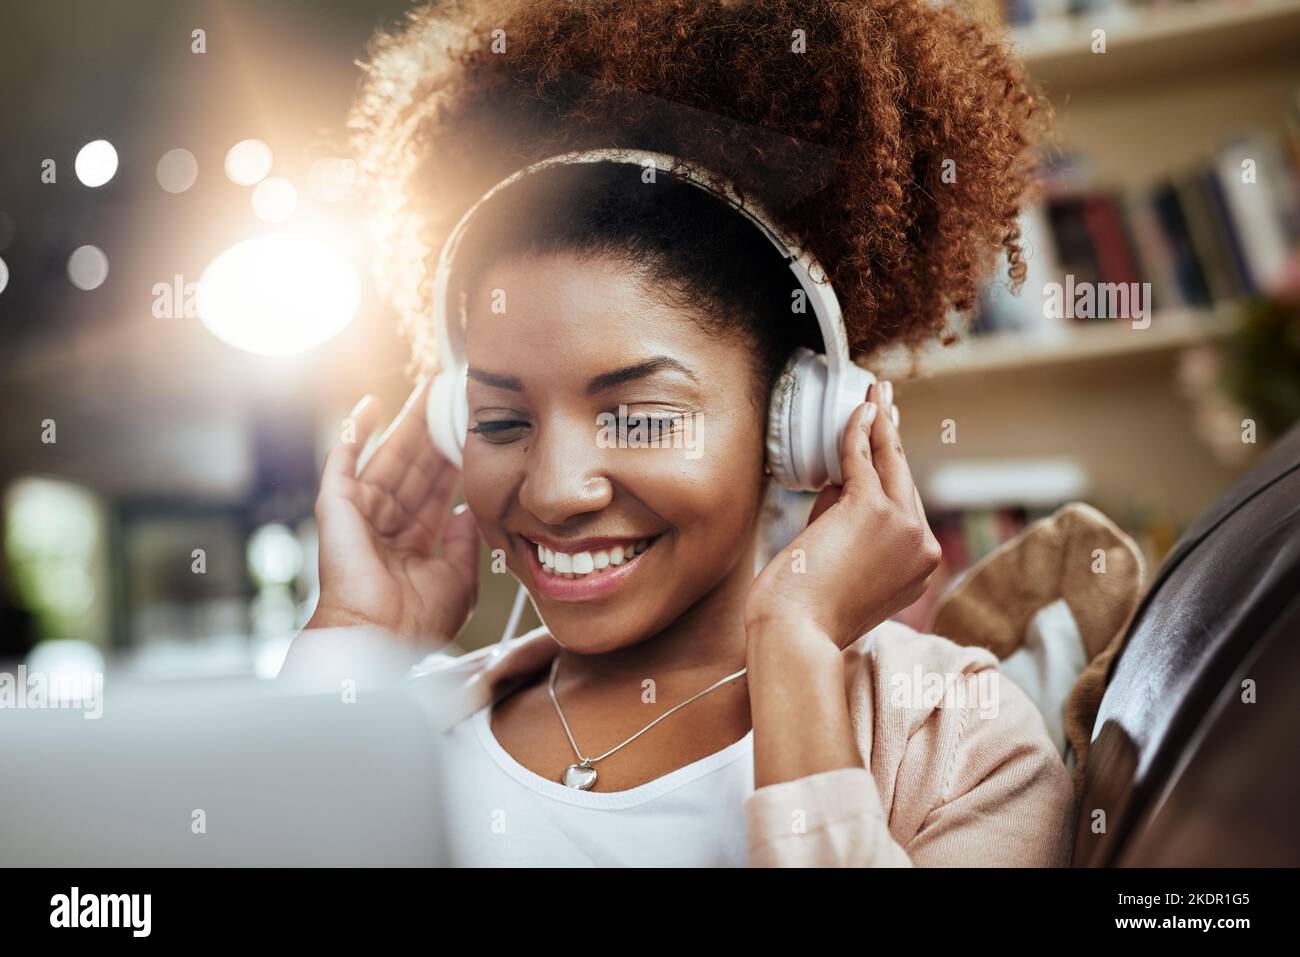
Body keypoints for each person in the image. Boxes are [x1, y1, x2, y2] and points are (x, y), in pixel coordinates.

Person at [280, 0, 1075, 866]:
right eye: (500, 420)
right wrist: (353, 642)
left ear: (798, 420)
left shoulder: (958, 739)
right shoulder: (394, 725)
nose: (553, 488)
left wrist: (796, 652)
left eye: (640, 416)